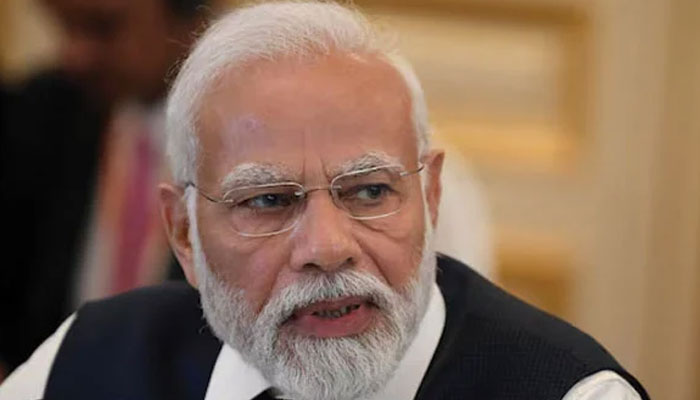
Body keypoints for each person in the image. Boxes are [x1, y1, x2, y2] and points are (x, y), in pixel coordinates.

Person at [0, 2, 649, 399]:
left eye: (370, 191)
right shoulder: (86, 363)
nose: (327, 249)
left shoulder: (566, 394)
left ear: (429, 195)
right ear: (185, 233)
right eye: (268, 201)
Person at [0, 0, 209, 377]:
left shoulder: (251, 137)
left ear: (188, 16)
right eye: (66, 28)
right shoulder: (39, 114)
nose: (76, 55)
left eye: (103, 28)